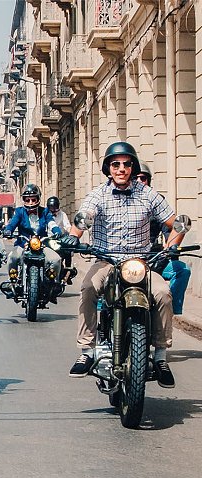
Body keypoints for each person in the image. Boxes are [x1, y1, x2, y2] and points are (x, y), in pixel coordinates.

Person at [66, 142, 183, 387]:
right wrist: (74, 236)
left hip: (139, 262)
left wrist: (171, 246)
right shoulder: (98, 195)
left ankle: (161, 356)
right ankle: (87, 350)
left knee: (163, 293)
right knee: (88, 289)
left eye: (126, 164)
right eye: (116, 164)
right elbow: (85, 217)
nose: (121, 169)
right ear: (108, 168)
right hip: (106, 260)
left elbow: (176, 223)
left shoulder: (147, 193)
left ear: (133, 167)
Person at [136, 164, 192, 316]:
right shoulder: (120, 199)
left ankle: (170, 310)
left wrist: (171, 247)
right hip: (127, 257)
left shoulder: (157, 201)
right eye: (137, 178)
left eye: (144, 178)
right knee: (101, 281)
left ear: (149, 180)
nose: (140, 181)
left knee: (182, 270)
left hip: (153, 258)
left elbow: (169, 228)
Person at [2, 184, 63, 288]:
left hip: (42, 244)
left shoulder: (45, 211)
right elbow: (12, 223)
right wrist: (8, 230)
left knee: (56, 259)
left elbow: (51, 223)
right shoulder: (19, 211)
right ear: (24, 200)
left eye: (33, 199)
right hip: (23, 244)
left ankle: (52, 281)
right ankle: (13, 281)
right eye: (27, 200)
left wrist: (57, 231)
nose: (30, 202)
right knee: (12, 258)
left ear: (38, 199)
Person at [46, 195, 76, 284]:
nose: (53, 209)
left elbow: (67, 226)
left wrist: (72, 233)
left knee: (68, 251)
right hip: (48, 239)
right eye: (51, 207)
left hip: (60, 239)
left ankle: (68, 272)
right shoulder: (45, 214)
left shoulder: (62, 215)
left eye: (54, 207)